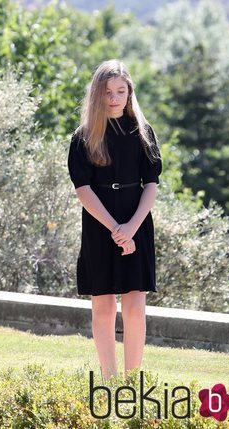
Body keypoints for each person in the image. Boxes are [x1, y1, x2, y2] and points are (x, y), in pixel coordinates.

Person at [68, 60, 161, 379]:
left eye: (121, 91)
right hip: (99, 225)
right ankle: (108, 378)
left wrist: (131, 228)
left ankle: (132, 379)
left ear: (130, 92)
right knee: (103, 305)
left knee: (135, 307)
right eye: (108, 92)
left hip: (137, 222)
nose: (114, 97)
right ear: (97, 94)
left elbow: (152, 183)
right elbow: (83, 190)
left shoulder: (143, 132)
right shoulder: (83, 137)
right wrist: (115, 229)